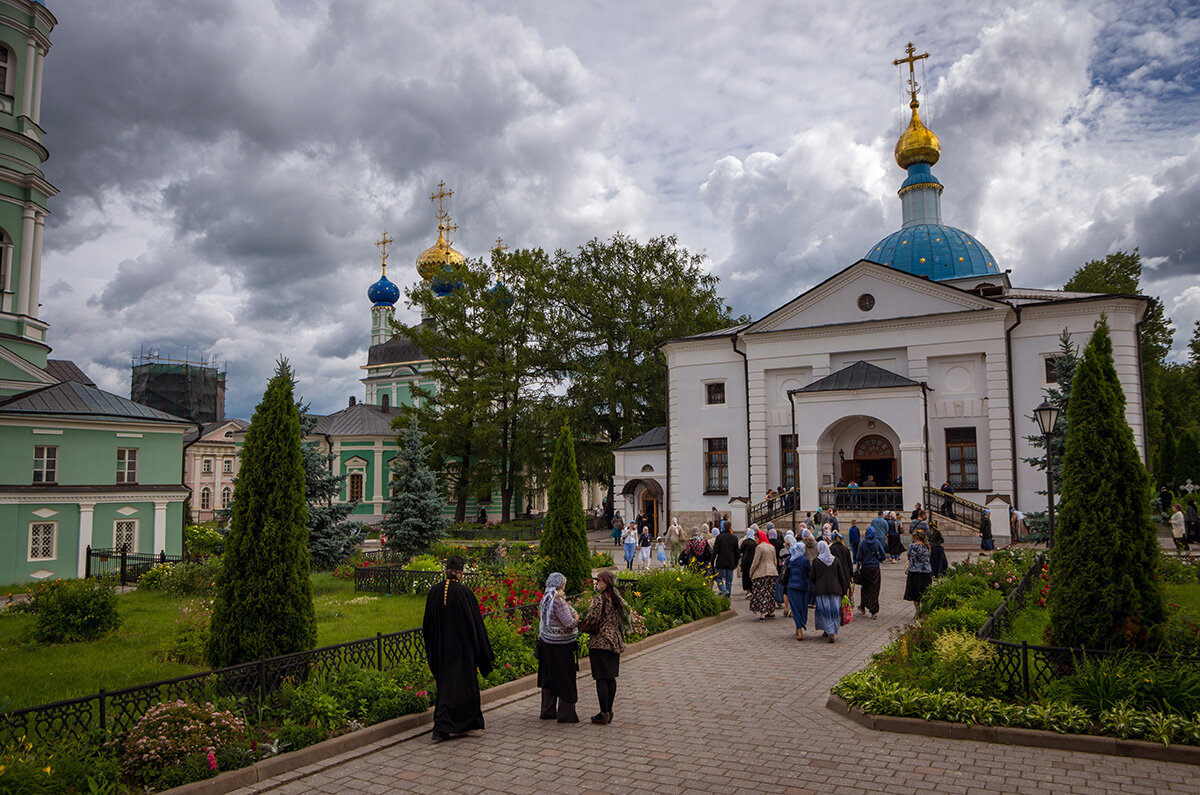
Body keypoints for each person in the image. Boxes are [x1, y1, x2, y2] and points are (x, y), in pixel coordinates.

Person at [423, 557, 495, 743]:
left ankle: (460, 724)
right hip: (463, 651)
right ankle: (443, 726)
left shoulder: (434, 592)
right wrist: (482, 651)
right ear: (460, 573)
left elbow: (427, 625)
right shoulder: (464, 593)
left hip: (441, 649)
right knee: (462, 687)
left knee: (445, 685)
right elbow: (475, 625)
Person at [581, 570, 628, 725]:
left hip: (600, 641)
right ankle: (610, 710)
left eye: (599, 581)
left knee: (601, 677)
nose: (596, 583)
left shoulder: (599, 600)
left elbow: (591, 618)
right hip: (614, 640)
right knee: (611, 677)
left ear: (606, 583)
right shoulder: (616, 598)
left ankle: (603, 713)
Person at [536, 572, 579, 723]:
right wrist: (576, 619)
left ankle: (547, 710)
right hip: (561, 644)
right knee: (566, 677)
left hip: (546, 642)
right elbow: (568, 623)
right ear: (561, 585)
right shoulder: (558, 601)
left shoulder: (545, 599)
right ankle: (566, 713)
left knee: (548, 676)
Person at [809, 540, 849, 642]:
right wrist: (844, 591)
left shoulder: (816, 561)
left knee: (825, 611)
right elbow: (841, 577)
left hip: (821, 591)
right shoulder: (836, 560)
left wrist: (817, 583)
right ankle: (831, 631)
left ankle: (829, 630)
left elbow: (812, 576)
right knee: (834, 611)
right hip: (835, 590)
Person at [782, 537, 813, 640]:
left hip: (792, 587)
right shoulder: (805, 561)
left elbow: (785, 571)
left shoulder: (790, 560)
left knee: (795, 608)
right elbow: (810, 574)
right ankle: (800, 625)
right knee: (803, 607)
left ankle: (798, 627)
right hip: (803, 587)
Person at [856, 526, 886, 619]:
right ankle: (874, 611)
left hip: (865, 568)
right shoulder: (877, 542)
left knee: (865, 588)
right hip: (875, 568)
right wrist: (878, 559)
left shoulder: (862, 543)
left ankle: (863, 606)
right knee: (875, 589)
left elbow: (858, 557)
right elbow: (883, 555)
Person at [749, 530, 779, 620]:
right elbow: (775, 561)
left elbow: (756, 562)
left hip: (761, 572)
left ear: (760, 538)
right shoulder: (772, 547)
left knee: (761, 593)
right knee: (770, 592)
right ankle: (771, 611)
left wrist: (751, 572)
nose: (755, 540)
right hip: (772, 572)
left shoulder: (759, 547)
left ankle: (762, 613)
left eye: (756, 538)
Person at [903, 529, 933, 617]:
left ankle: (917, 611)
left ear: (915, 537)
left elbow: (908, 556)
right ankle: (924, 611)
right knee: (925, 591)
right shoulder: (927, 546)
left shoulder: (912, 546)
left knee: (915, 592)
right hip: (926, 571)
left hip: (914, 571)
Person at [712, 523, 740, 597]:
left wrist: (712, 562)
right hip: (731, 561)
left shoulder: (719, 537)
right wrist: (736, 562)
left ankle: (724, 590)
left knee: (718, 578)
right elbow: (737, 552)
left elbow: (715, 551)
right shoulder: (734, 538)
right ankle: (727, 599)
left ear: (723, 527)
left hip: (721, 561)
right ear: (730, 527)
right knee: (729, 581)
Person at [738, 526, 757, 597]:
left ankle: (748, 591)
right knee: (751, 575)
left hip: (745, 560)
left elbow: (740, 551)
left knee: (745, 576)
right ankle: (752, 590)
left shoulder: (745, 542)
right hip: (752, 560)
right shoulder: (755, 543)